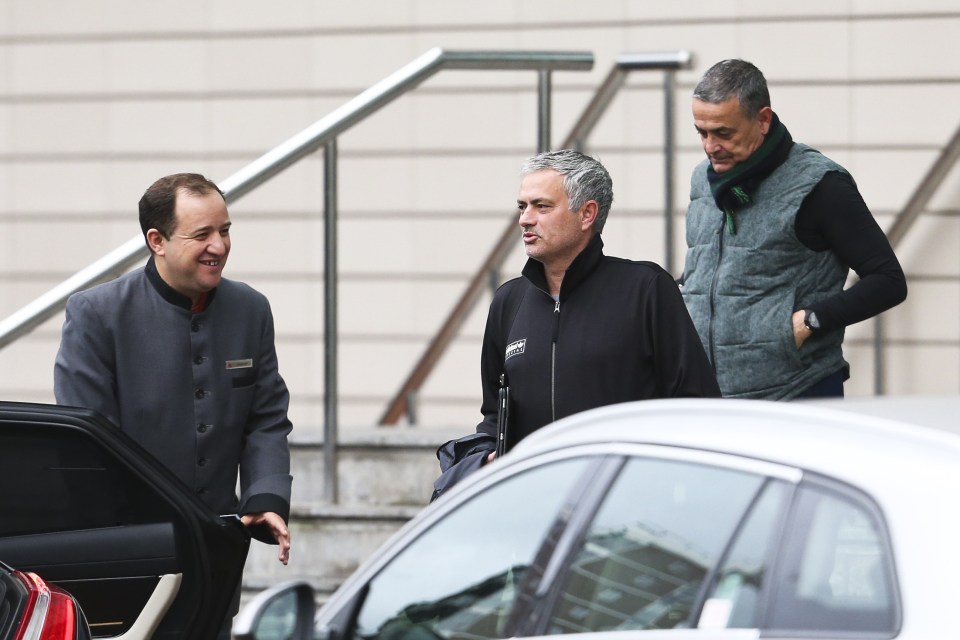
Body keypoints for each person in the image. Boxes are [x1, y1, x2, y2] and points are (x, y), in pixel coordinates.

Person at [54, 173, 292, 637]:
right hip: (131, 557)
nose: (219, 246)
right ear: (156, 241)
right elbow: (89, 448)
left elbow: (265, 420)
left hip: (218, 556)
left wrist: (265, 497)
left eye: (224, 230)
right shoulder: (96, 315)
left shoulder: (251, 309)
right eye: (201, 234)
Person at [432, 150, 720, 499]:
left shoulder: (645, 288)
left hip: (627, 512)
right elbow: (494, 416)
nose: (525, 219)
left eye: (541, 206)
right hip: (533, 508)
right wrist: (488, 460)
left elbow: (695, 406)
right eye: (522, 206)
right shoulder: (508, 302)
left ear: (587, 214)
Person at [680, 59, 907, 400]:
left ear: (763, 120)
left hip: (796, 394)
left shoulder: (820, 185)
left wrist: (809, 322)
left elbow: (888, 281)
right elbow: (709, 273)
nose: (710, 145)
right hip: (709, 398)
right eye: (702, 132)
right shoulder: (703, 178)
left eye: (724, 133)